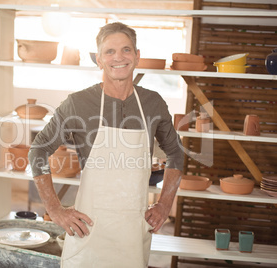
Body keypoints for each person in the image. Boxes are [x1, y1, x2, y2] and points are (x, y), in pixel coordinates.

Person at [28, 22, 183, 267]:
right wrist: (55, 208)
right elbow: (38, 150)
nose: (118, 57)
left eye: (126, 50)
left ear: (137, 56)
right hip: (88, 230)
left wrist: (165, 204)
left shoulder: (153, 103)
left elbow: (176, 152)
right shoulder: (78, 103)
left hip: (133, 232)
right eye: (109, 52)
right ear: (99, 60)